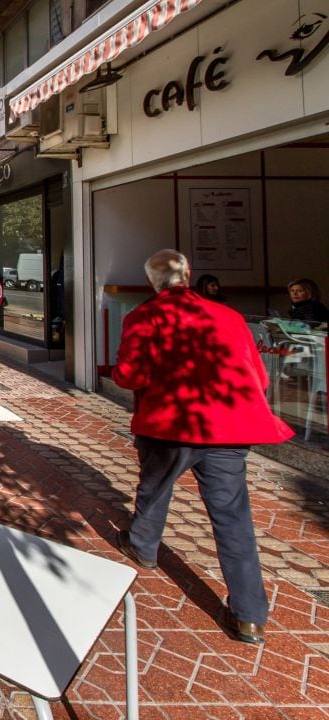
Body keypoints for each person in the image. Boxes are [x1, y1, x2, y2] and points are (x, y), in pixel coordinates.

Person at [111, 249, 293, 645]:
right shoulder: (229, 317)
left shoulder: (144, 317)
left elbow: (131, 374)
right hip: (229, 427)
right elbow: (258, 377)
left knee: (155, 486)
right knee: (232, 516)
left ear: (152, 282)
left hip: (170, 424)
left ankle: (143, 546)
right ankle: (249, 617)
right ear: (188, 274)